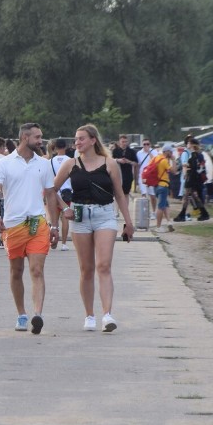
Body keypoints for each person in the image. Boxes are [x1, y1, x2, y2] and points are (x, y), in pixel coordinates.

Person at [52, 124, 135, 332]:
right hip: (80, 217)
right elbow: (51, 190)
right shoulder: (71, 164)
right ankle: (89, 315)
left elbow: (119, 194)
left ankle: (107, 315)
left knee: (104, 265)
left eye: (81, 139)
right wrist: (64, 209)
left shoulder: (110, 164)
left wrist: (128, 222)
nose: (77, 143)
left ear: (92, 140)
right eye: (76, 139)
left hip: (105, 215)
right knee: (86, 269)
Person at [0, 123, 59, 335]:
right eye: (37, 137)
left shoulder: (44, 164)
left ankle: (38, 314)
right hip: (13, 225)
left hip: (37, 223)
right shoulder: (5, 164)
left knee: (37, 270)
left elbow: (51, 194)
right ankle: (21, 314)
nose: (41, 141)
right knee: (16, 271)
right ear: (25, 138)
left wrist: (54, 225)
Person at [174, 138, 210, 222]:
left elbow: (193, 167)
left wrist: (187, 166)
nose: (187, 145)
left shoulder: (193, 155)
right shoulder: (199, 154)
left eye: (189, 143)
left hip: (191, 177)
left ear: (193, 145)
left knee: (186, 196)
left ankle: (182, 214)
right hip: (195, 178)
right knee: (194, 195)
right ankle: (204, 213)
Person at [49, 138, 73, 251]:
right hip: (67, 192)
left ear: (56, 147)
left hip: (54, 192)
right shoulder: (70, 160)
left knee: (54, 218)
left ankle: (54, 240)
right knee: (65, 219)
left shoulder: (51, 161)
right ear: (66, 147)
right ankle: (64, 243)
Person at [153, 144, 178, 233]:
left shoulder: (156, 158)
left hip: (155, 186)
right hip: (163, 186)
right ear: (166, 151)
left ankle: (169, 222)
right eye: (170, 151)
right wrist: (173, 160)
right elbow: (174, 171)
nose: (171, 153)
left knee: (166, 205)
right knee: (160, 206)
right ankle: (158, 227)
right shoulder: (164, 161)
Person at [112, 134, 139, 201]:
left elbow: (136, 163)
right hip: (117, 175)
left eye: (126, 142)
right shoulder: (115, 151)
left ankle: (125, 210)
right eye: (123, 142)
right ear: (119, 142)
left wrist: (128, 161)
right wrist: (118, 160)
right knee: (117, 194)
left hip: (128, 175)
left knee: (126, 194)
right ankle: (117, 211)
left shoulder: (131, 151)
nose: (124, 143)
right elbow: (110, 161)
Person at [136, 139, 158, 221]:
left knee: (152, 195)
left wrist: (149, 152)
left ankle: (153, 212)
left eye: (147, 144)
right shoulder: (139, 153)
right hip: (142, 176)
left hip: (151, 176)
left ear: (150, 144)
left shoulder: (154, 152)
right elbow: (138, 165)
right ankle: (145, 212)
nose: (146, 146)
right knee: (144, 195)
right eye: (144, 144)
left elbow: (155, 162)